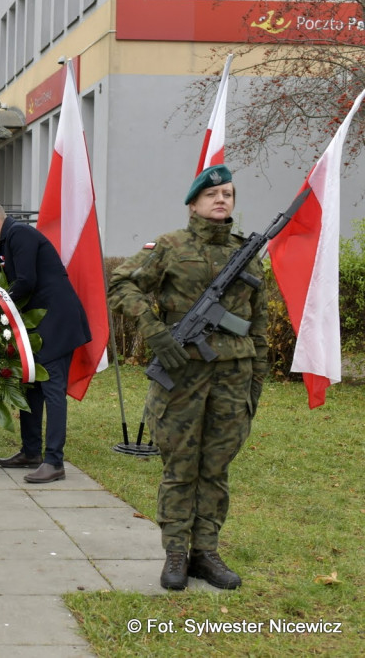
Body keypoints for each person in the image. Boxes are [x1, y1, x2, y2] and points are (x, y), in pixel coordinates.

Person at [107, 165, 267, 591]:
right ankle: (176, 552)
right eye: (212, 194)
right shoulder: (170, 246)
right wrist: (157, 334)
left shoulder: (246, 252)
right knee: (180, 466)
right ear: (194, 202)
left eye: (228, 194)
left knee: (215, 468)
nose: (221, 200)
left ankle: (206, 552)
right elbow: (121, 285)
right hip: (181, 376)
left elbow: (258, 324)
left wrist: (256, 383)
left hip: (233, 378)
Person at [0, 200, 91, 483]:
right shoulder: (9, 239)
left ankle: (54, 461)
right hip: (42, 323)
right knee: (32, 386)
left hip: (57, 322)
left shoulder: (20, 235)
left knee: (52, 390)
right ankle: (31, 452)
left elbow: (25, 280)